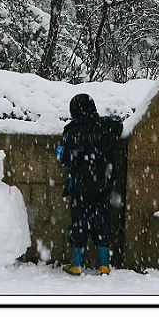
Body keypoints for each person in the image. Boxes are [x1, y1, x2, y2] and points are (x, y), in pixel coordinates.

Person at [56, 93, 123, 276]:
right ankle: (104, 265)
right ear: (94, 109)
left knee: (79, 223)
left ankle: (76, 264)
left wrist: (61, 153)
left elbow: (67, 159)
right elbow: (118, 124)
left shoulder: (72, 131)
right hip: (103, 184)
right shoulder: (106, 126)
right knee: (103, 222)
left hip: (81, 186)